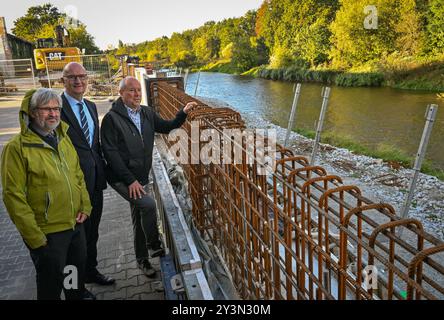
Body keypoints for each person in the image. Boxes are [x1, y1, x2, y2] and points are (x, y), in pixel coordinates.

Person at [1, 88, 95, 300]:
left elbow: (77, 174)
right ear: (33, 112)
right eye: (46, 109)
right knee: (50, 283)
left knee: (73, 273)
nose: (53, 114)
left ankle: (75, 297)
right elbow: (13, 196)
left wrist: (85, 207)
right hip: (48, 234)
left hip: (75, 224)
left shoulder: (62, 138)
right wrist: (35, 237)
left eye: (56, 109)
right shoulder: (17, 149)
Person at [100, 76, 197, 277]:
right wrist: (130, 181)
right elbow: (110, 154)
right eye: (131, 90)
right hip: (121, 177)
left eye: (138, 90)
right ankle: (153, 245)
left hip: (140, 175)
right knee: (148, 205)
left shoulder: (146, 112)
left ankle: (141, 260)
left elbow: (166, 127)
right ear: (121, 93)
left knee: (138, 216)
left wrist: (183, 113)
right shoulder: (111, 119)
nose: (136, 94)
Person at [60, 62, 114, 286]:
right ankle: (75, 286)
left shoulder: (91, 106)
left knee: (92, 234)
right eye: (72, 77)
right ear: (63, 80)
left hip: (95, 181)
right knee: (74, 241)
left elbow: (94, 144)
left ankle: (91, 271)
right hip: (72, 186)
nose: (78, 81)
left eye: (82, 76)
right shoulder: (56, 107)